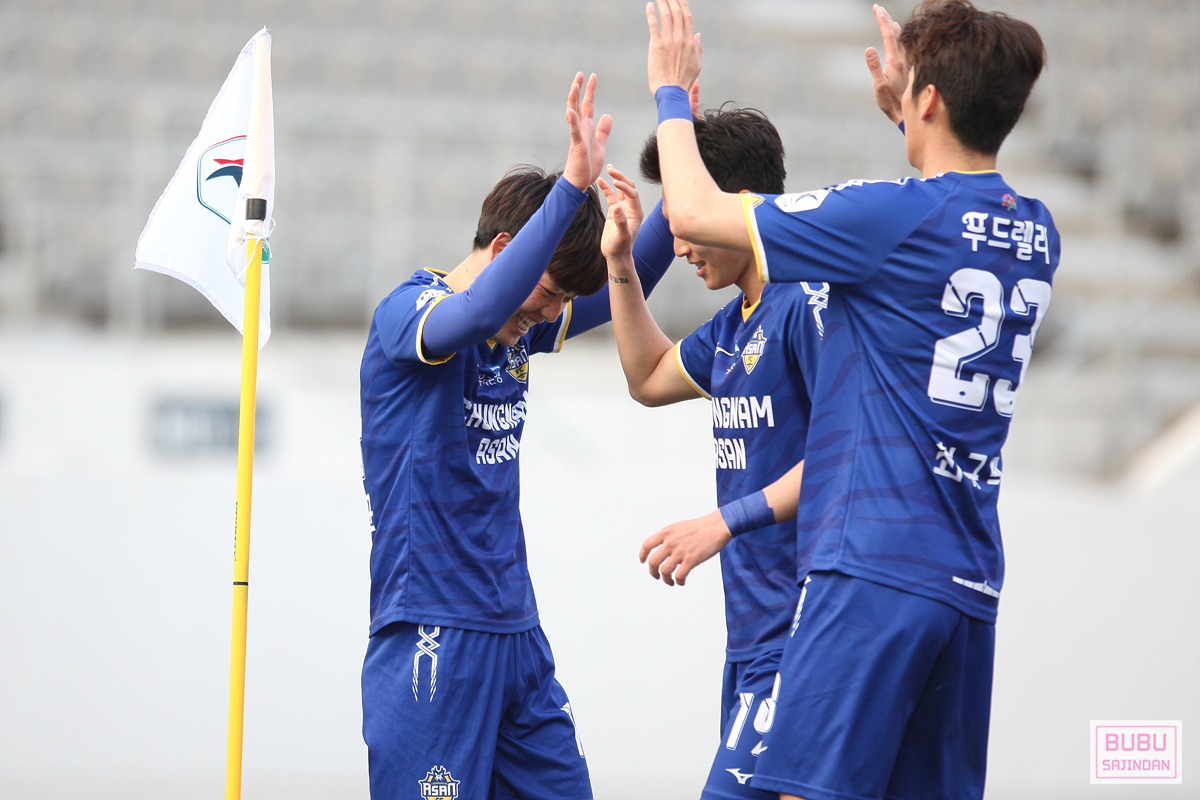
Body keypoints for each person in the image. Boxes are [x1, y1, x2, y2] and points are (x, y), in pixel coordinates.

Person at [643, 2, 1056, 799]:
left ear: (927, 99)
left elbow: (694, 212)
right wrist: (912, 117)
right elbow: (943, 212)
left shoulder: (889, 215)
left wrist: (670, 91)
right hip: (968, 579)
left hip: (870, 565)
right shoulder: (1036, 231)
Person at [358, 72, 676, 800]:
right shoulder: (410, 314)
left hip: (516, 634)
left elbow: (629, 282)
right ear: (504, 249)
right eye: (548, 293)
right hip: (431, 629)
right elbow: (473, 314)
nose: (551, 315)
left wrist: (683, 146)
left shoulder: (518, 329)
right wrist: (571, 186)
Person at [602, 101, 822, 800]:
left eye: (687, 220)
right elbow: (647, 377)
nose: (679, 244)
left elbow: (849, 453)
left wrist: (725, 521)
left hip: (806, 629)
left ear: (737, 206)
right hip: (751, 636)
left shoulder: (807, 303)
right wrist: (620, 265)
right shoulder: (734, 327)